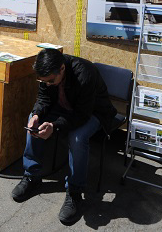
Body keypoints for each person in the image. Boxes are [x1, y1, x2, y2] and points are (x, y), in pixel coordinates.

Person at [11, 49, 117, 225]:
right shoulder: (48, 72)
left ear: (62, 69)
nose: (48, 84)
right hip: (65, 109)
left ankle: (75, 193)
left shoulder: (85, 74)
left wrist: (54, 126)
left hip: (94, 112)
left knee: (77, 137)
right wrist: (37, 114)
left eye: (51, 81)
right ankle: (31, 176)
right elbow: (43, 98)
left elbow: (81, 115)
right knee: (33, 120)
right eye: (44, 81)